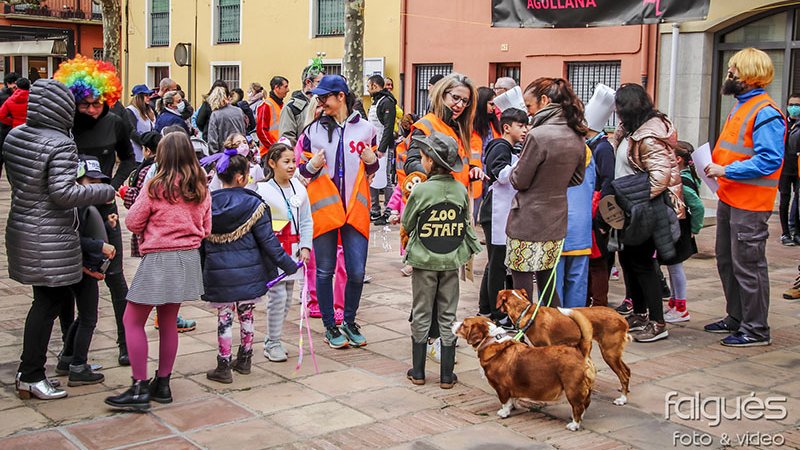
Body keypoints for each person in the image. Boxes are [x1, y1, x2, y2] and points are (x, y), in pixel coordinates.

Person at [6, 79, 116, 400]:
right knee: (48, 303)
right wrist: (103, 190)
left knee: (45, 300)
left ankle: (52, 365)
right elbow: (63, 193)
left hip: (23, 227)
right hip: (49, 235)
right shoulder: (61, 144)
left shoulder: (16, 135)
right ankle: (31, 374)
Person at [105, 132, 211, 411]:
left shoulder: (155, 186)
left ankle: (139, 386)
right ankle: (162, 383)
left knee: (132, 320)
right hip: (188, 257)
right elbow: (207, 227)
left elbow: (133, 222)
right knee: (168, 321)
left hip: (160, 257)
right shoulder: (200, 186)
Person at [55, 55, 137, 366]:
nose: (91, 109)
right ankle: (70, 347)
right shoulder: (65, 126)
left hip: (104, 209)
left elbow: (128, 159)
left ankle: (125, 343)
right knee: (69, 279)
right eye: (84, 104)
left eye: (97, 103)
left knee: (115, 276)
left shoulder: (115, 122)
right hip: (70, 209)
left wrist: (111, 187)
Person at [704, 48, 785, 347]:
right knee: (727, 260)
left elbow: (769, 159)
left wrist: (726, 169)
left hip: (750, 203)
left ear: (750, 76)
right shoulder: (743, 106)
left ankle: (756, 329)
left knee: (749, 266)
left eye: (733, 70)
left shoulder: (765, 112)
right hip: (731, 196)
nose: (729, 74)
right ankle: (737, 317)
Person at [201, 150, 298, 382]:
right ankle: (245, 359)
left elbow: (199, 241)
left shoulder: (207, 205)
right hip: (249, 273)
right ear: (242, 178)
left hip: (219, 274)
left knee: (225, 318)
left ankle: (223, 365)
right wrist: (288, 264)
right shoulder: (255, 204)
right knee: (246, 315)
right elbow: (269, 242)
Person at [299, 75, 378, 349]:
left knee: (356, 271)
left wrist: (373, 162)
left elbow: (371, 168)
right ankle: (330, 326)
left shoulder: (367, 129)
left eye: (324, 98)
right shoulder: (312, 131)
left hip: (355, 210)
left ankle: (350, 321)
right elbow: (302, 169)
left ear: (341, 96)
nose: (320, 103)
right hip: (325, 209)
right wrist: (311, 166)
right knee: (324, 270)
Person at [404, 73, 479, 361]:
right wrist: (431, 186)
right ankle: (430, 338)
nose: (459, 104)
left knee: (442, 285)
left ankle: (433, 336)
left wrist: (472, 171)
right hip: (432, 213)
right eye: (455, 98)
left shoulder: (460, 127)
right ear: (442, 95)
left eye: (464, 101)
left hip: (453, 211)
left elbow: (461, 163)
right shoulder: (427, 125)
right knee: (430, 284)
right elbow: (413, 161)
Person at [505, 78, 588, 307]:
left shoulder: (537, 135)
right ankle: (556, 326)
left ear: (544, 100)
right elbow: (577, 178)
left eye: (529, 105)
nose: (528, 112)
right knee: (548, 283)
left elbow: (519, 180)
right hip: (556, 218)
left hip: (527, 219)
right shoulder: (577, 134)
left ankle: (525, 326)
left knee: (522, 288)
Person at [611, 83, 684, 343]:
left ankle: (657, 322)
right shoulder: (630, 130)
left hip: (643, 209)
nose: (616, 111)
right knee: (629, 262)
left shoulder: (649, 136)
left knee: (643, 264)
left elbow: (660, 176)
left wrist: (634, 201)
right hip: (631, 208)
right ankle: (640, 313)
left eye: (619, 106)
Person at [57, 155, 118, 387]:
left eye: (98, 182)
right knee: (89, 318)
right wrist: (99, 246)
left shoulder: (86, 205)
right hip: (80, 268)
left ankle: (67, 360)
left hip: (82, 266)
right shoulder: (75, 205)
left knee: (84, 316)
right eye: (90, 181)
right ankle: (78, 366)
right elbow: (73, 238)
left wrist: (107, 226)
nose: (95, 186)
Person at [256, 143, 313, 362]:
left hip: (295, 251)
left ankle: (274, 338)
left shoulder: (299, 188)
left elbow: (306, 219)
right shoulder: (262, 190)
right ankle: (272, 342)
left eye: (293, 161)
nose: (291, 166)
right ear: (272, 163)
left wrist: (305, 246)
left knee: (288, 296)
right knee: (277, 296)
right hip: (274, 251)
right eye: (286, 162)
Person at [477, 108, 528, 325]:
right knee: (497, 264)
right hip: (496, 212)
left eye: (526, 126)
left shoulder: (509, 148)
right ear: (506, 127)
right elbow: (501, 175)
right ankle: (498, 313)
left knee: (494, 263)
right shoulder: (500, 146)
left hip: (501, 211)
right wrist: (525, 160)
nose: (525, 130)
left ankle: (486, 308)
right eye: (520, 126)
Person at [583, 84, 617, 308]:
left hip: (596, 209)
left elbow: (607, 181)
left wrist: (601, 216)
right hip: (590, 206)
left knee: (597, 261)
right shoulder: (593, 145)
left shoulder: (602, 148)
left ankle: (599, 303)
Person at [663, 141, 704, 323]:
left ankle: (681, 307)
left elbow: (698, 207)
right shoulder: (685, 177)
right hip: (679, 228)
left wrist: (694, 228)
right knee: (672, 267)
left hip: (680, 229)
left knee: (675, 267)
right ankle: (675, 303)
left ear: (678, 159)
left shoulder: (682, 181)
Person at [121, 131, 161, 257]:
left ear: (147, 150)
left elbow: (139, 200)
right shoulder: (169, 167)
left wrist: (126, 193)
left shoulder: (146, 171)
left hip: (148, 227)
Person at [367, 74, 398, 225]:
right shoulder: (376, 101)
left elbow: (388, 127)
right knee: (373, 177)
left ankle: (389, 210)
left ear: (374, 86)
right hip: (373, 146)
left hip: (383, 147)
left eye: (368, 86)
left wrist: (382, 148)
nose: (367, 89)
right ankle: (374, 210)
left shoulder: (387, 102)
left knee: (386, 179)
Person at [471, 86, 501, 220]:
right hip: (475, 175)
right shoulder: (469, 125)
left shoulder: (494, 124)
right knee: (471, 215)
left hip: (491, 174)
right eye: (491, 104)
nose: (494, 108)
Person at [280, 65, 324, 145]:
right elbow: (287, 139)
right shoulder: (292, 108)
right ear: (308, 83)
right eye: (319, 82)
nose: (323, 86)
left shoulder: (325, 104)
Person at [779, 93, 800, 246]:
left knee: (798, 200)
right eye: (791, 104)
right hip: (784, 168)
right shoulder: (782, 124)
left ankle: (797, 232)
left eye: (797, 105)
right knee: (784, 200)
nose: (794, 108)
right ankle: (785, 233)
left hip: (798, 168)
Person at [207, 86, 246, 154]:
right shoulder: (239, 111)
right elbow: (243, 131)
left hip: (224, 153)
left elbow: (212, 140)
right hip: (239, 150)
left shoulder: (215, 115)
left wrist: (214, 156)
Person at [257, 76, 289, 153]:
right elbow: (261, 131)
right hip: (269, 152)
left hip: (280, 150)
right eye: (285, 87)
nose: (288, 90)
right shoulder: (266, 105)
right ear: (277, 88)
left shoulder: (282, 105)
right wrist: (274, 148)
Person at [125, 84, 157, 162]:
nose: (149, 97)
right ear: (139, 97)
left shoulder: (147, 111)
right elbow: (132, 132)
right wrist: (145, 143)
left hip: (147, 152)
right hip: (136, 154)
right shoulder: (130, 111)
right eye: (146, 95)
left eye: (149, 95)